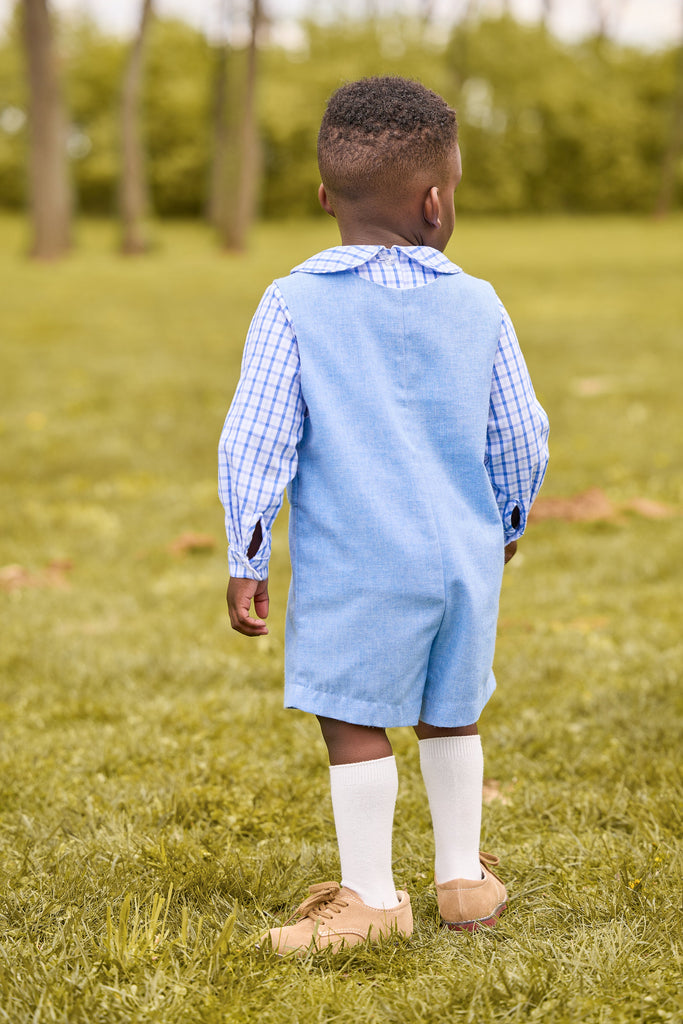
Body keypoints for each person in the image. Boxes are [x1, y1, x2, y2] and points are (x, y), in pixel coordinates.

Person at [218, 76, 549, 955]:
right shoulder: (478, 302)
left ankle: (369, 897)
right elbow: (518, 429)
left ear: (326, 197)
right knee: (453, 709)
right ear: (437, 201)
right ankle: (462, 880)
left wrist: (247, 548)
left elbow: (255, 438)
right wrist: (508, 519)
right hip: (460, 558)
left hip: (354, 563)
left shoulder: (292, 303)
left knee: (354, 715)